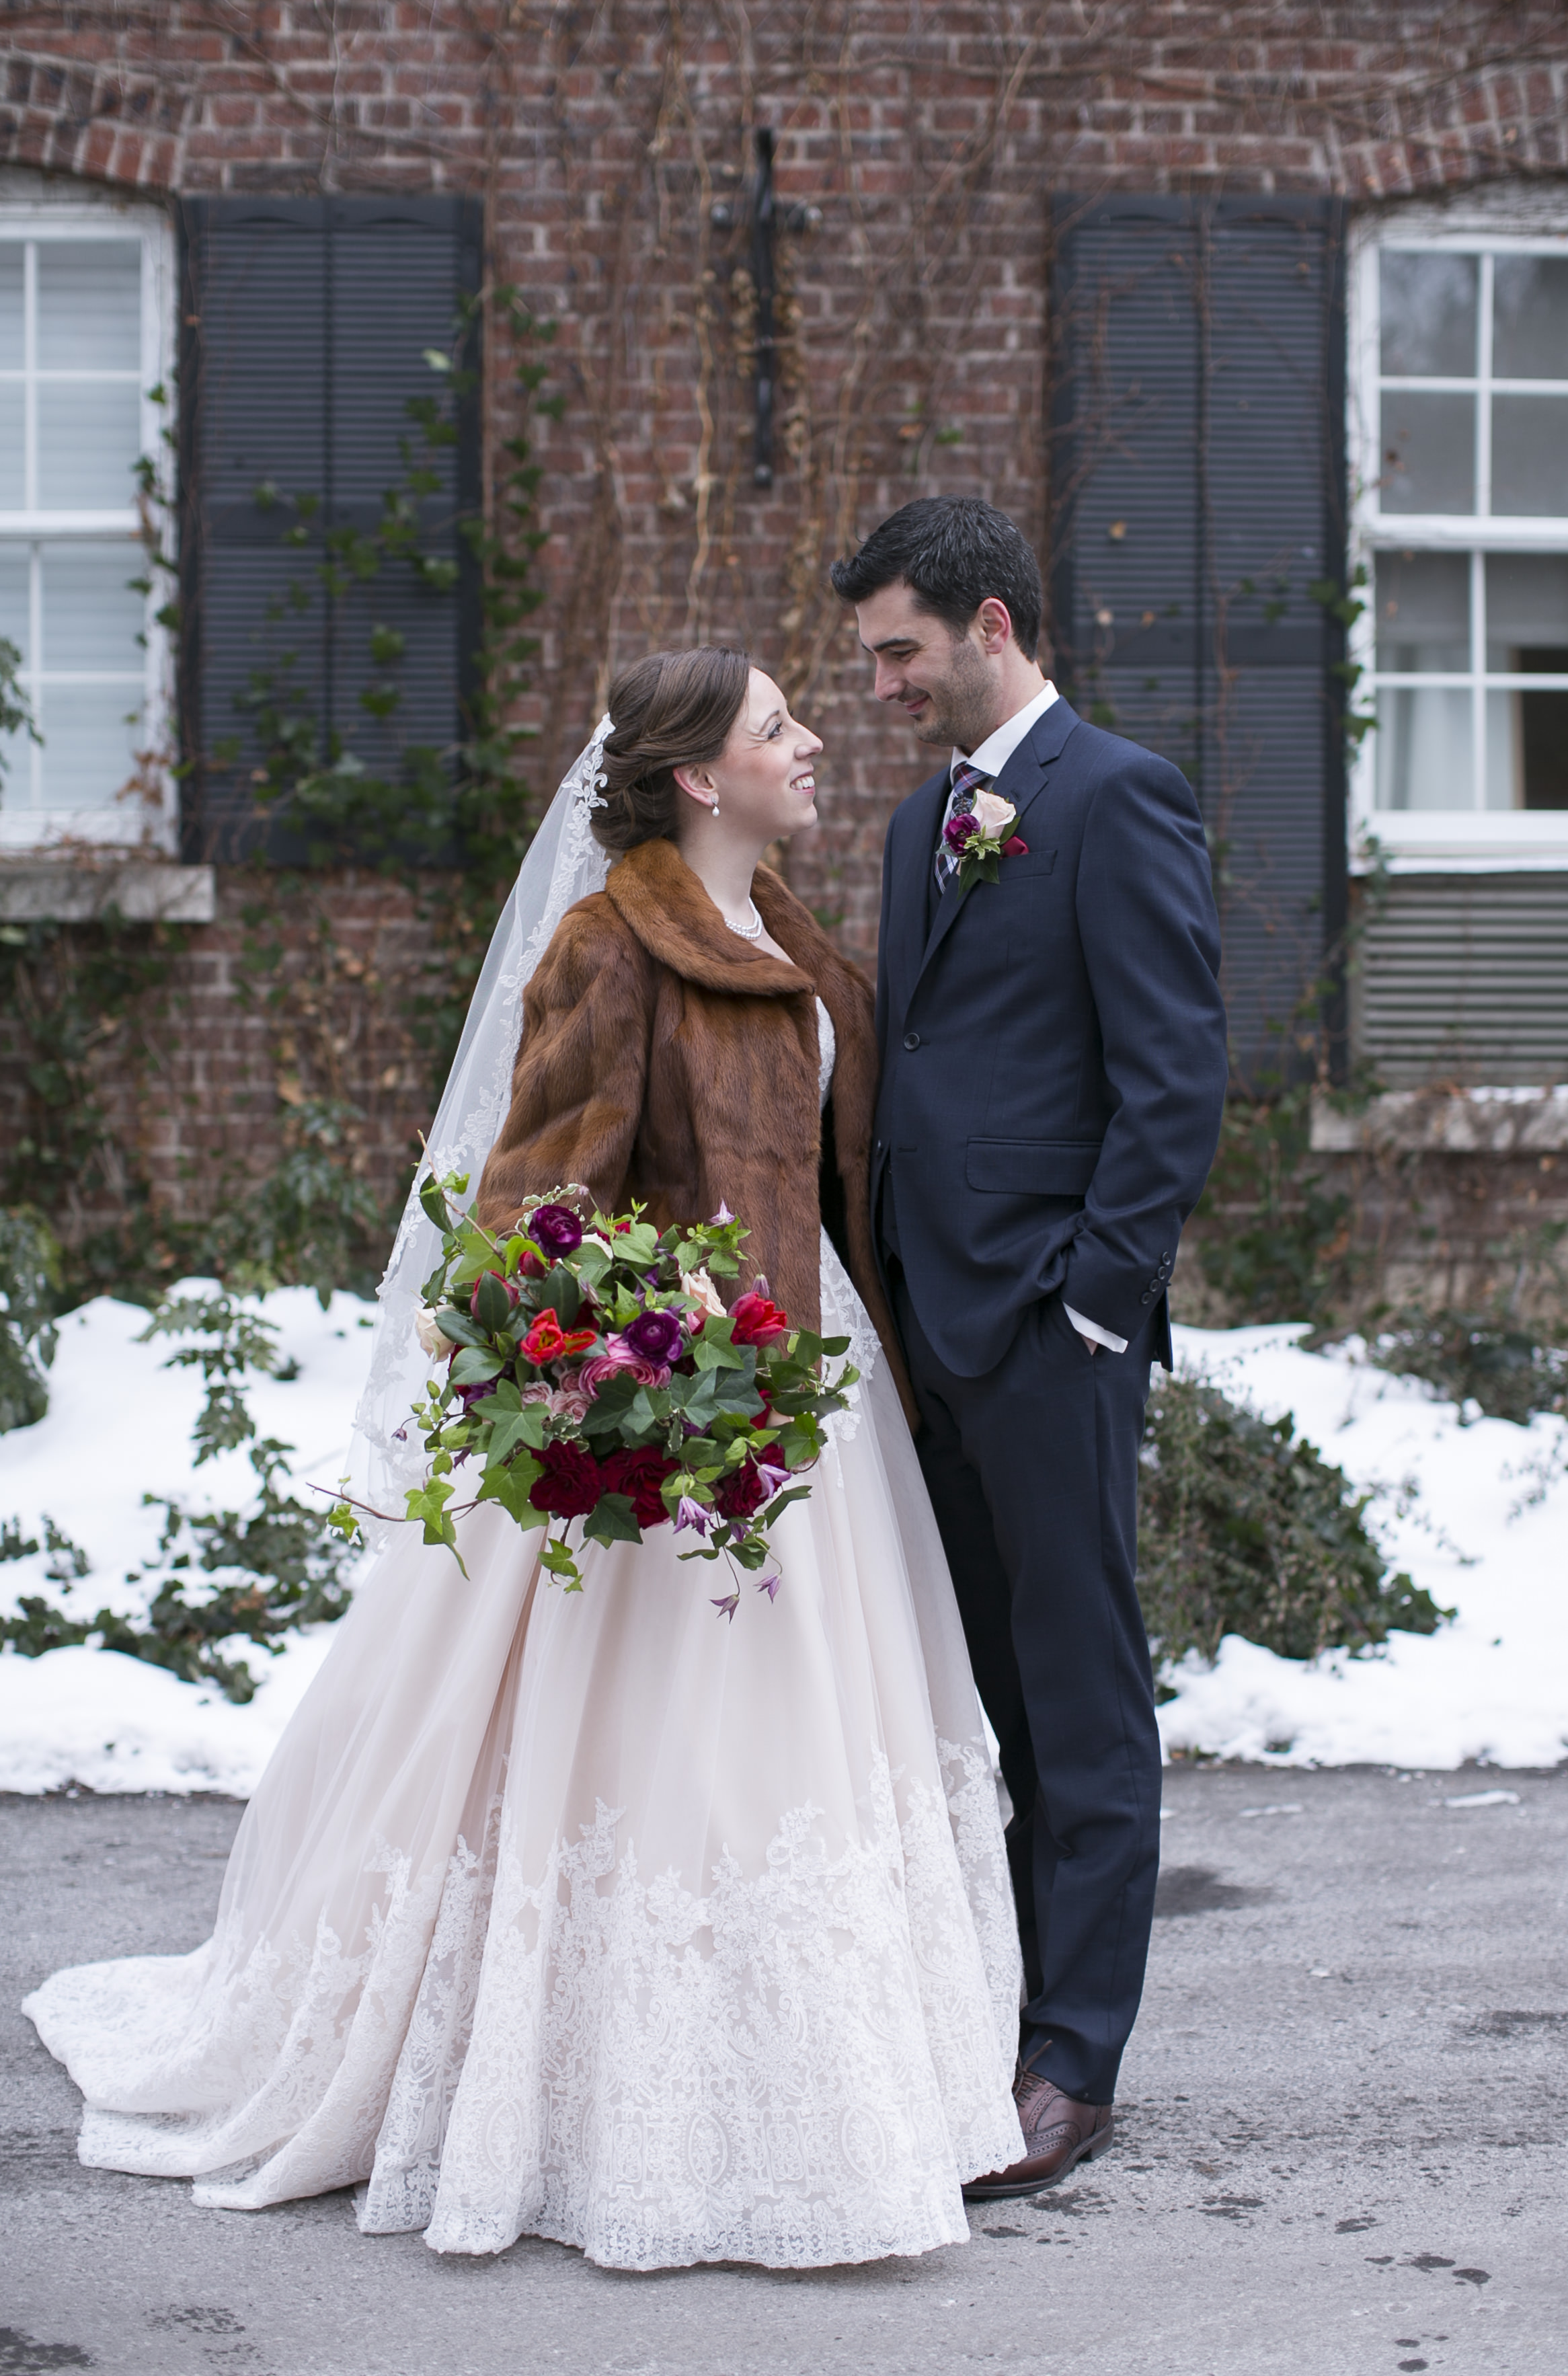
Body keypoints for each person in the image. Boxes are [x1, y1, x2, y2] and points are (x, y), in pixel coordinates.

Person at [23, 646, 1023, 2272]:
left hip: (821, 1410)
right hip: (677, 1423)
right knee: (661, 1755)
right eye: (781, 727)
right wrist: (637, 1351)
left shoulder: (803, 943)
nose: (816, 741)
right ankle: (582, 2100)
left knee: (818, 1744)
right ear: (701, 774)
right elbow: (526, 1215)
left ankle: (836, 2085)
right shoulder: (615, 943)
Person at [830, 498, 1227, 2198]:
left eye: (901, 652)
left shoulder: (1116, 797)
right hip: (935, 1330)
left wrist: (1092, 1299)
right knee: (984, 1698)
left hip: (1048, 1334)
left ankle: (1076, 2061)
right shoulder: (930, 817)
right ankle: (998, 2013)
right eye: (869, 661)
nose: (883, 687)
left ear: (994, 623)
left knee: (1080, 1700)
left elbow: (1176, 1079)